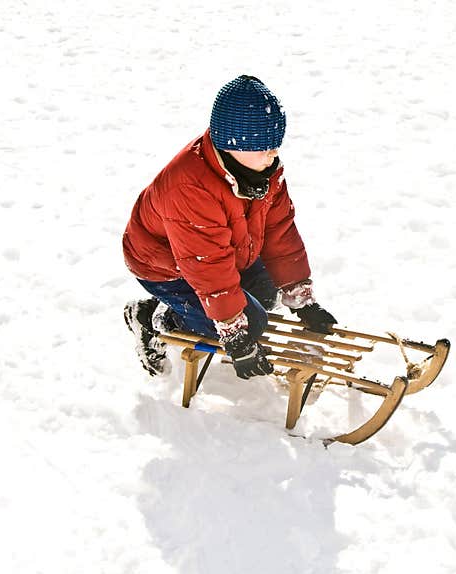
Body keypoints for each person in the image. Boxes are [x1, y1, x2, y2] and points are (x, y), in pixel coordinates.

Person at [122, 75, 337, 379]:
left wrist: (301, 299)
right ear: (233, 143)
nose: (273, 153)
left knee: (265, 295)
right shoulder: (189, 187)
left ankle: (189, 312)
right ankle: (154, 318)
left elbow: (280, 232)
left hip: (226, 253)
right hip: (166, 266)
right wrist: (235, 334)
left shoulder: (264, 170)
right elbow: (207, 265)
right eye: (264, 146)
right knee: (251, 323)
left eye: (275, 145)